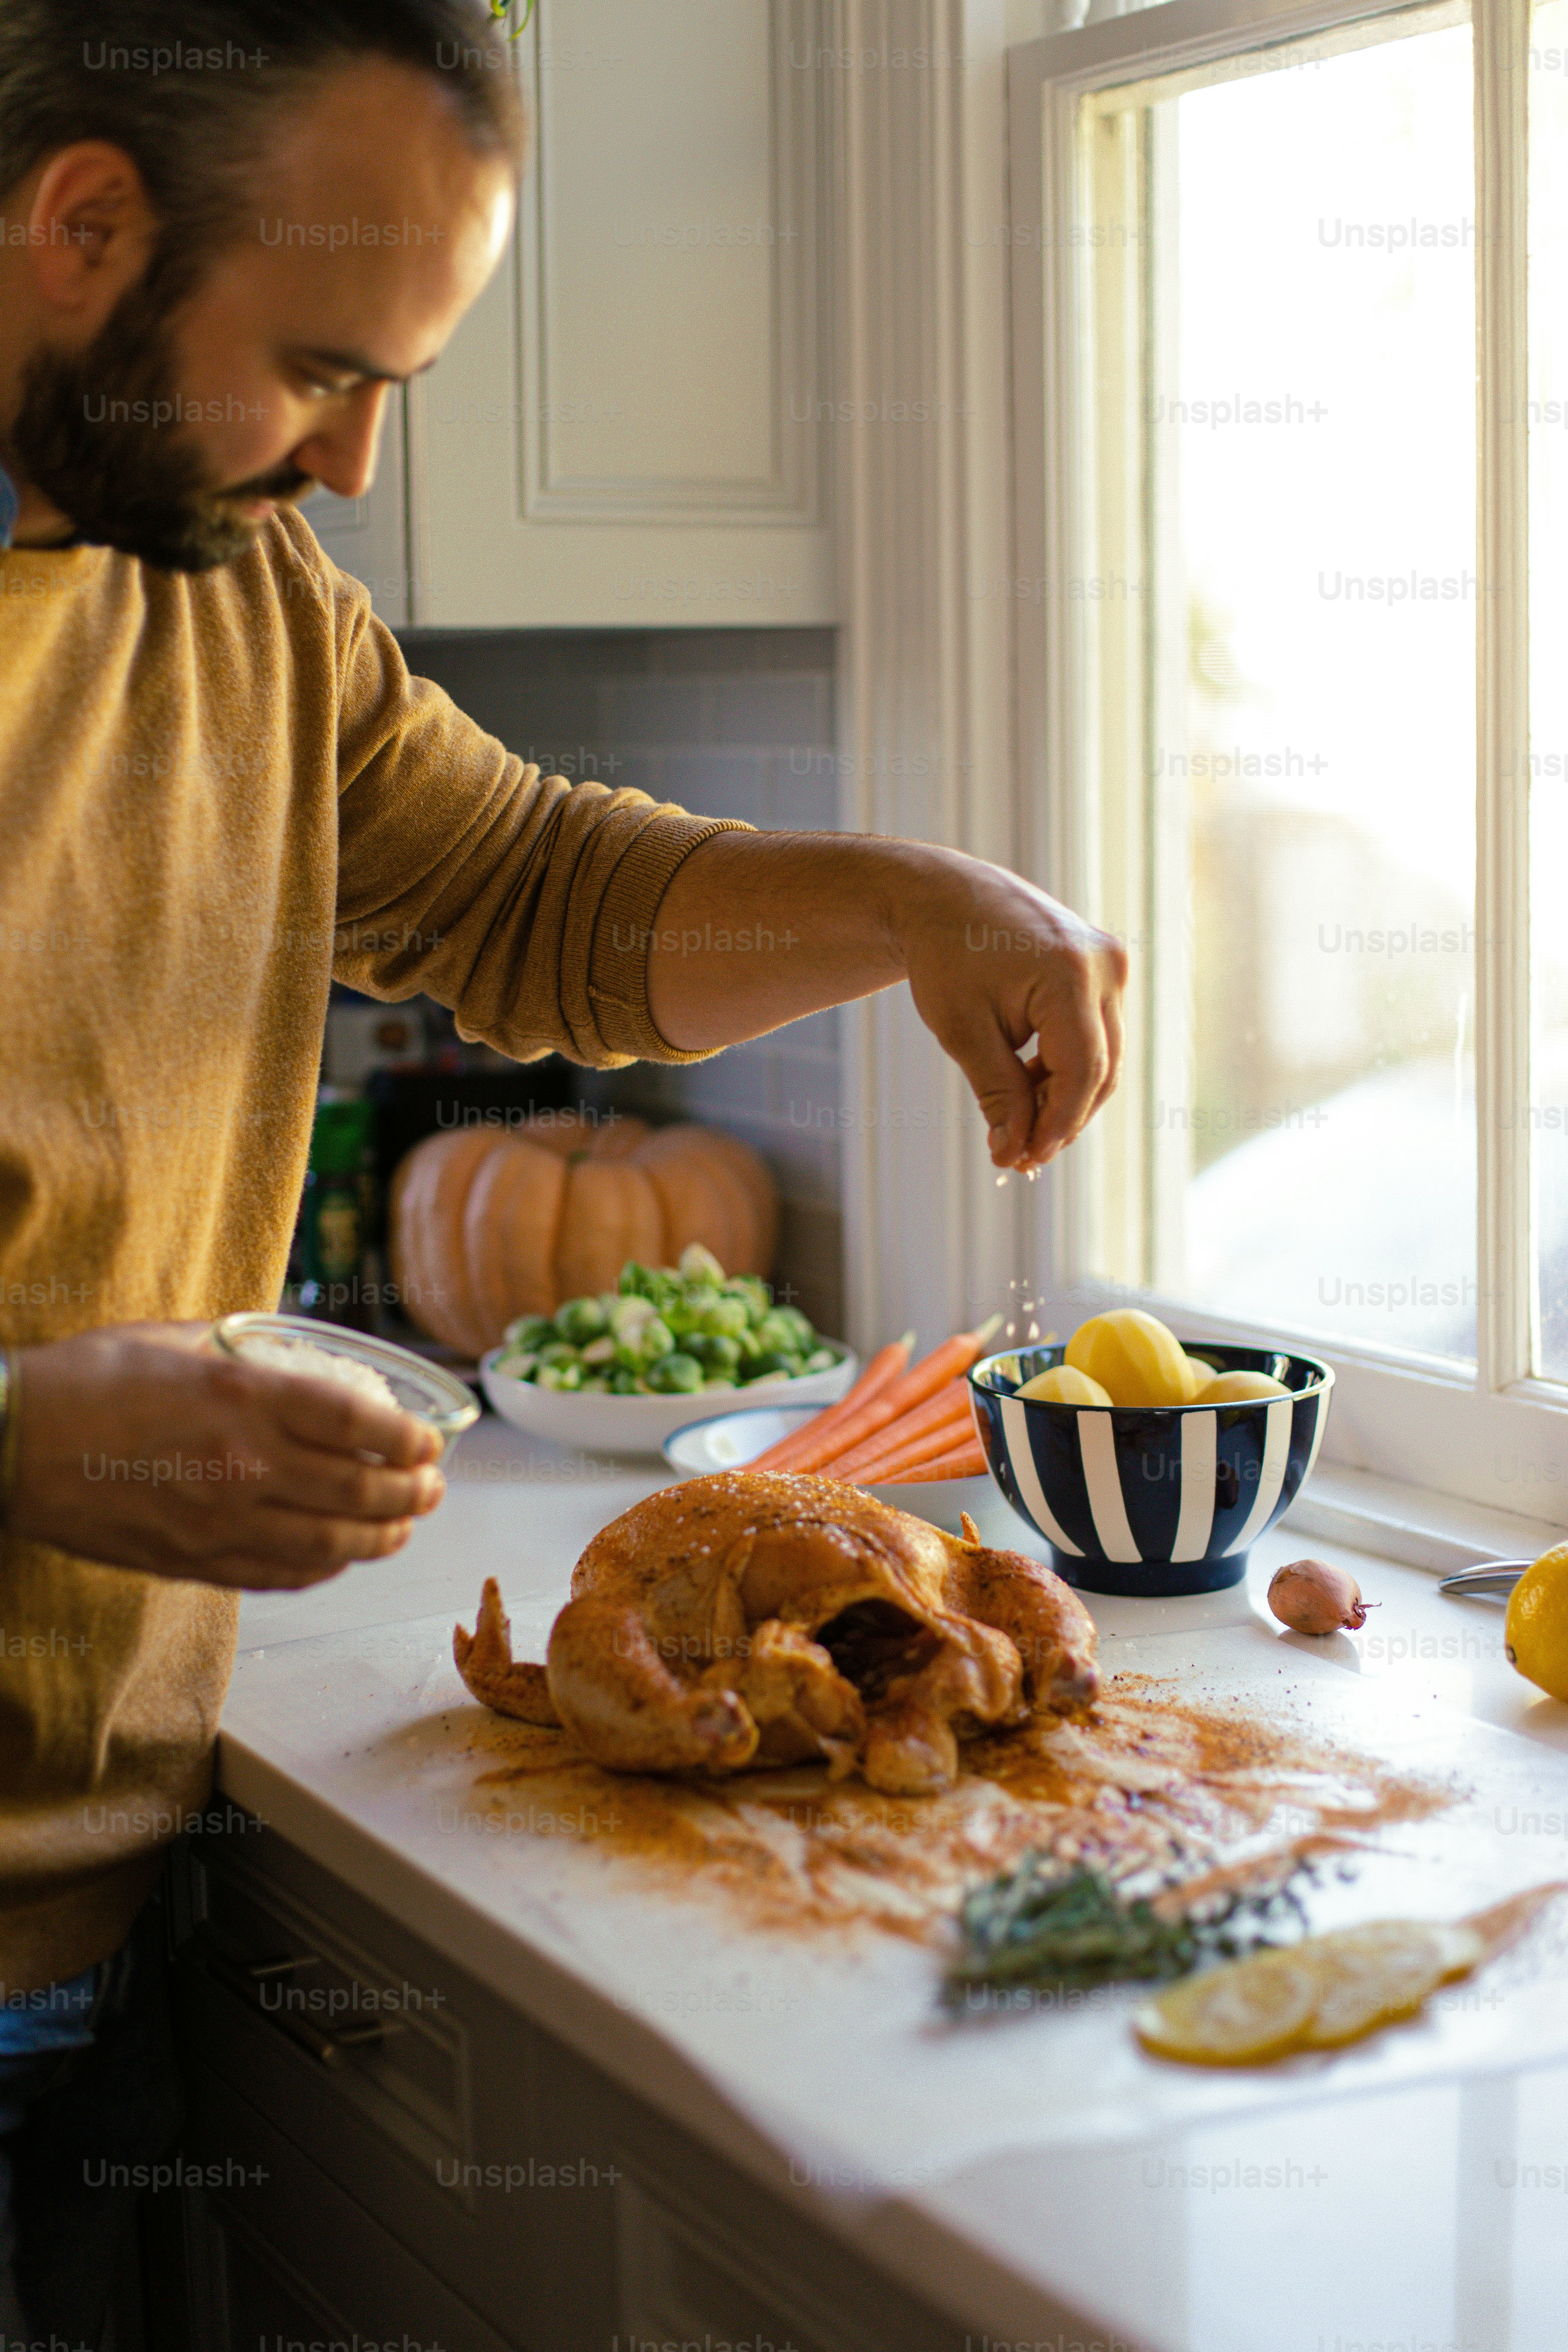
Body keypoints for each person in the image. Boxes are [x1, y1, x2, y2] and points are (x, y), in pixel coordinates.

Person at [0, 0, 1127, 2335]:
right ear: (83, 225)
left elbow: (530, 894)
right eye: (323, 365)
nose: (363, 467)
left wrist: (913, 899)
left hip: (99, 1911)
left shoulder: (228, 584)